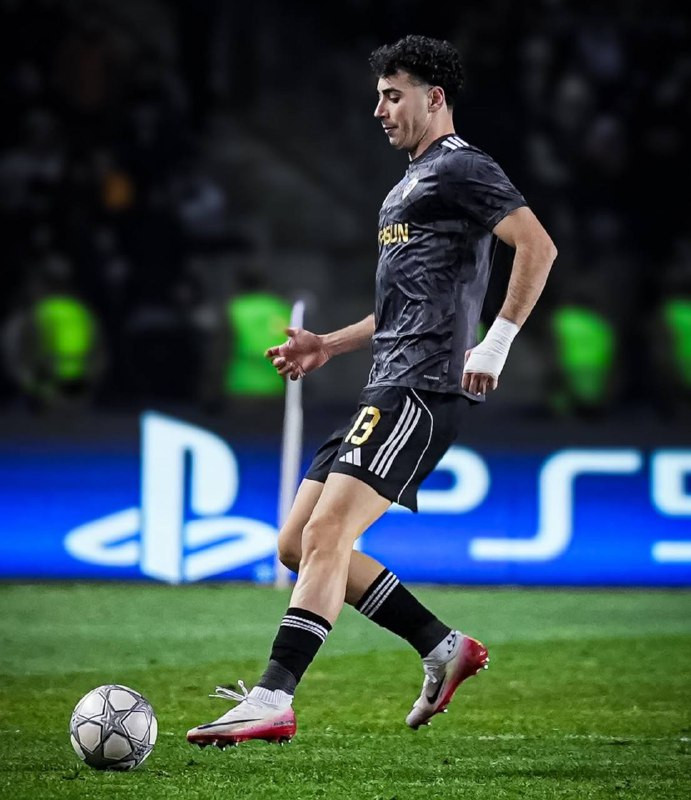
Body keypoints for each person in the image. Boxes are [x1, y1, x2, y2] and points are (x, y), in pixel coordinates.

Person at [186, 34, 557, 748]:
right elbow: (403, 306)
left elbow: (537, 246)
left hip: (422, 388)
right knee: (297, 543)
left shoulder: (462, 165)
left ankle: (272, 697)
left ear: (434, 97)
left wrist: (497, 342)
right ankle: (442, 646)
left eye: (393, 96)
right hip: (385, 380)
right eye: (378, 97)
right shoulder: (408, 185)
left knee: (328, 534)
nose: (379, 110)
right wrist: (328, 343)